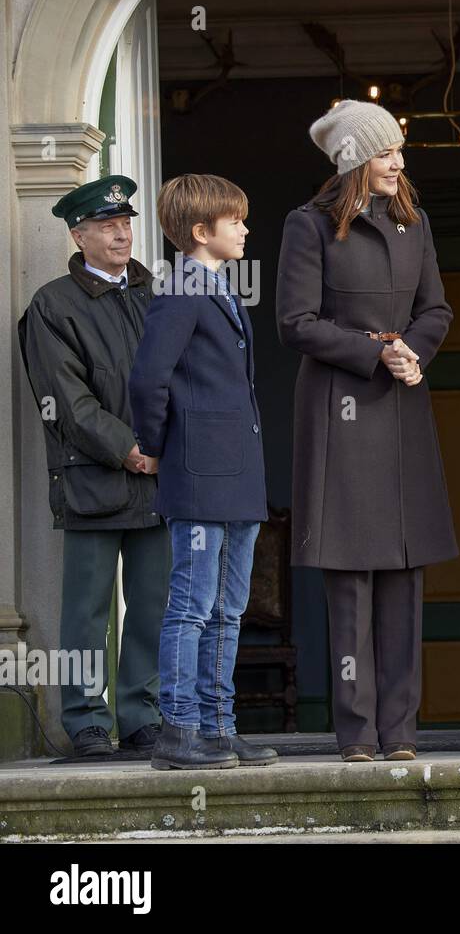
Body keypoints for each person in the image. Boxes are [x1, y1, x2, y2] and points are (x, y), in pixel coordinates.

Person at [277, 100, 457, 762]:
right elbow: (294, 322)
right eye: (386, 153)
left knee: (405, 572)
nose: (398, 164)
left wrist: (413, 347)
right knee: (349, 576)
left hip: (402, 404)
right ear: (355, 157)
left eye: (399, 152)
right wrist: (370, 349)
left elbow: (437, 306)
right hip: (340, 409)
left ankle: (401, 731)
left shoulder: (415, 223)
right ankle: (356, 733)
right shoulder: (309, 226)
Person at [128, 174, 277, 770]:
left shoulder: (217, 287)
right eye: (234, 220)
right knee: (191, 604)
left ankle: (218, 727)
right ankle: (180, 728)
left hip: (237, 474)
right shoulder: (181, 291)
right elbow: (147, 379)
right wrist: (155, 445)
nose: (244, 228)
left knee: (228, 607)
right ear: (199, 231)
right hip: (196, 472)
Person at [17, 175, 168, 758]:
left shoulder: (158, 294)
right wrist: (130, 448)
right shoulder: (53, 305)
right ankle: (83, 718)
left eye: (126, 223)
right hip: (94, 479)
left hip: (159, 480)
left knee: (154, 603)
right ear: (78, 235)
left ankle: (141, 715)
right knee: (86, 608)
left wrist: (170, 448)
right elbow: (65, 402)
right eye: (107, 225)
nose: (121, 233)